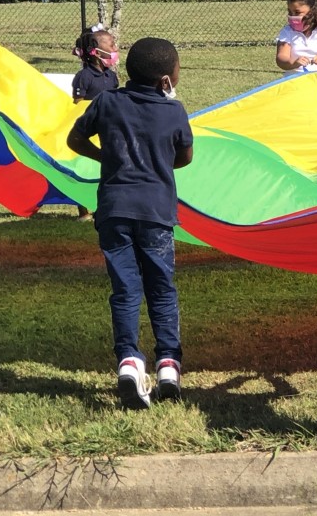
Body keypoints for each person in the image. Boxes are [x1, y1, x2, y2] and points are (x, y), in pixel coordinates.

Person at [66, 37, 193, 410]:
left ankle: (128, 362)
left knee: (125, 290)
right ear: (166, 80)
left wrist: (107, 158)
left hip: (113, 210)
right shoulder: (174, 111)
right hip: (155, 213)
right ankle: (168, 364)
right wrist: (157, 162)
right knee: (162, 288)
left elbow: (75, 138)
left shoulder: (106, 101)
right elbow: (184, 157)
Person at [69, 24, 119, 221]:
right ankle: (83, 210)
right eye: (112, 45)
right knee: (83, 166)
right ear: (96, 52)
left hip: (108, 130)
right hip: (90, 130)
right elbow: (77, 105)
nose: (116, 49)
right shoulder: (84, 77)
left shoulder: (111, 76)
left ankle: (103, 207)